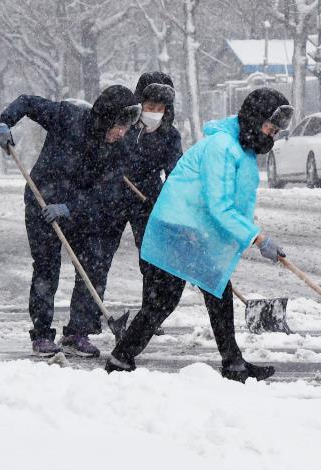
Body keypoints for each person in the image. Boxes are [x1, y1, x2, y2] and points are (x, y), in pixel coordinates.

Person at [106, 88, 294, 383]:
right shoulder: (222, 146)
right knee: (166, 301)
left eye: (275, 130)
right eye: (269, 127)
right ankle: (121, 360)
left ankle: (232, 364)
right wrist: (257, 238)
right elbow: (220, 205)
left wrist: (248, 231)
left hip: (192, 229)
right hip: (178, 228)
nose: (271, 134)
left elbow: (235, 201)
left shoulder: (241, 149)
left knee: (213, 292)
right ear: (254, 119)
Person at [0, 86, 141, 357]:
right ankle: (41, 334)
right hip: (41, 200)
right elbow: (27, 101)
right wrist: (5, 121)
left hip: (77, 210)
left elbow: (105, 194)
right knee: (46, 268)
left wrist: (69, 208)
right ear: (106, 116)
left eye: (127, 127)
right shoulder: (68, 116)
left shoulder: (119, 149)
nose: (122, 132)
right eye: (119, 124)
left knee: (92, 265)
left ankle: (77, 333)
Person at [61, 72, 182, 349]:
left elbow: (176, 173)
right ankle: (79, 328)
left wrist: (168, 200)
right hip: (110, 198)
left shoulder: (169, 136)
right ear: (139, 103)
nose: (154, 113)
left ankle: (148, 318)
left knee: (152, 261)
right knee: (95, 260)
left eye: (160, 108)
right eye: (149, 106)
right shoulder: (122, 125)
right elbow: (99, 155)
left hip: (147, 202)